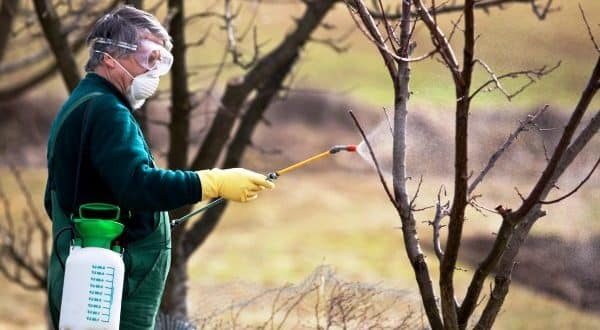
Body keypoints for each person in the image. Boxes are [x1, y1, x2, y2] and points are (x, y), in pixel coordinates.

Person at [44, 5, 274, 329]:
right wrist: (211, 182)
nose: (154, 70)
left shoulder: (86, 103)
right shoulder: (107, 111)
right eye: (148, 57)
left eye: (161, 61)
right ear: (110, 57)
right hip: (106, 289)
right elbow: (138, 185)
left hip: (96, 283)